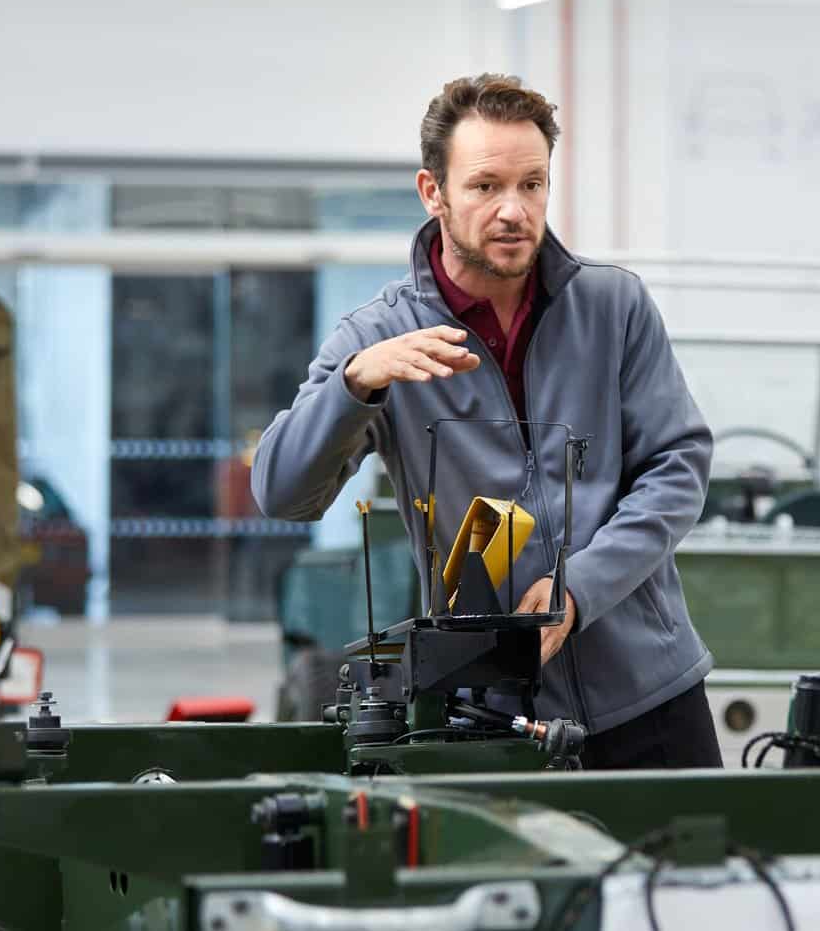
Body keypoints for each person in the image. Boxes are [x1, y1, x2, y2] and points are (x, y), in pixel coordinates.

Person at [251, 73, 722, 770]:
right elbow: (281, 491)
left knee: (692, 882)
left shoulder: (613, 307)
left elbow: (677, 469)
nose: (514, 210)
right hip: (490, 714)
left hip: (652, 696)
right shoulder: (377, 337)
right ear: (432, 191)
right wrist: (355, 385)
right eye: (486, 186)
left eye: (532, 185)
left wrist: (579, 589)